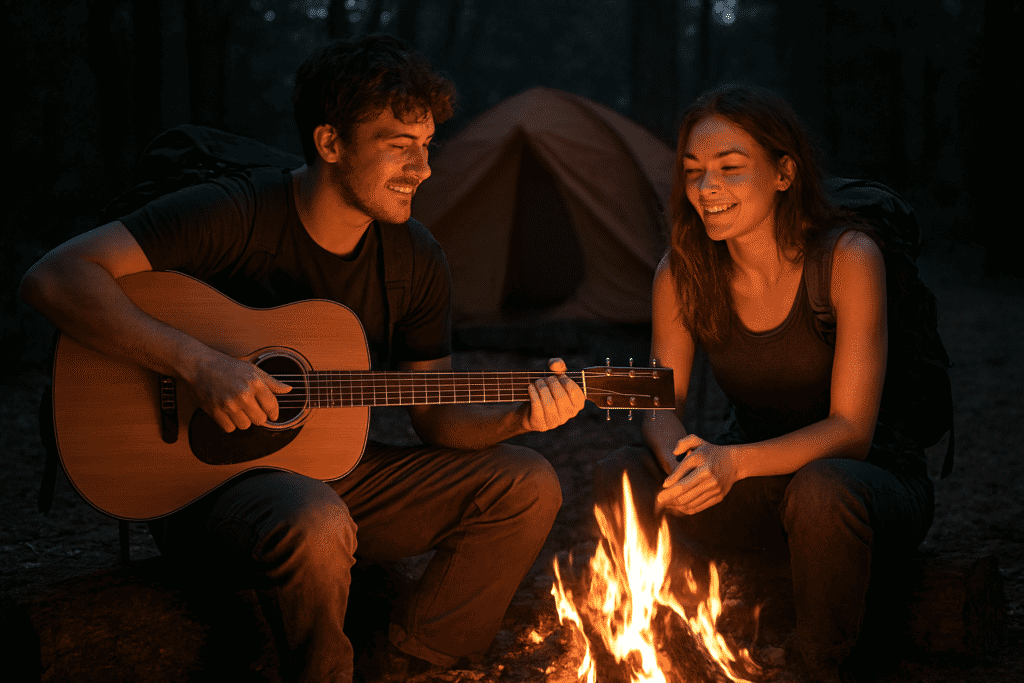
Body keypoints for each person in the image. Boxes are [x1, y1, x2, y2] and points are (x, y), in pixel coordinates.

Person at [20, 34, 585, 683]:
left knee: (526, 480)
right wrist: (198, 363)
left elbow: (436, 418)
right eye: (400, 147)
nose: (423, 169)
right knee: (315, 517)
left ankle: (414, 662)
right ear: (330, 143)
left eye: (427, 147)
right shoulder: (237, 213)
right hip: (201, 486)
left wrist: (518, 416)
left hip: (328, 476)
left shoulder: (415, 260)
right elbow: (56, 276)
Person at [594, 85, 933, 682]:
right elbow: (655, 404)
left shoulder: (848, 259)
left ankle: (817, 667)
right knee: (622, 471)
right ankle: (655, 646)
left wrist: (732, 464)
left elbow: (851, 432)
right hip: (753, 483)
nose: (707, 190)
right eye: (694, 172)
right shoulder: (681, 272)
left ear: (784, 173)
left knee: (822, 489)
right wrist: (689, 466)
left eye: (730, 169)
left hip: (863, 490)